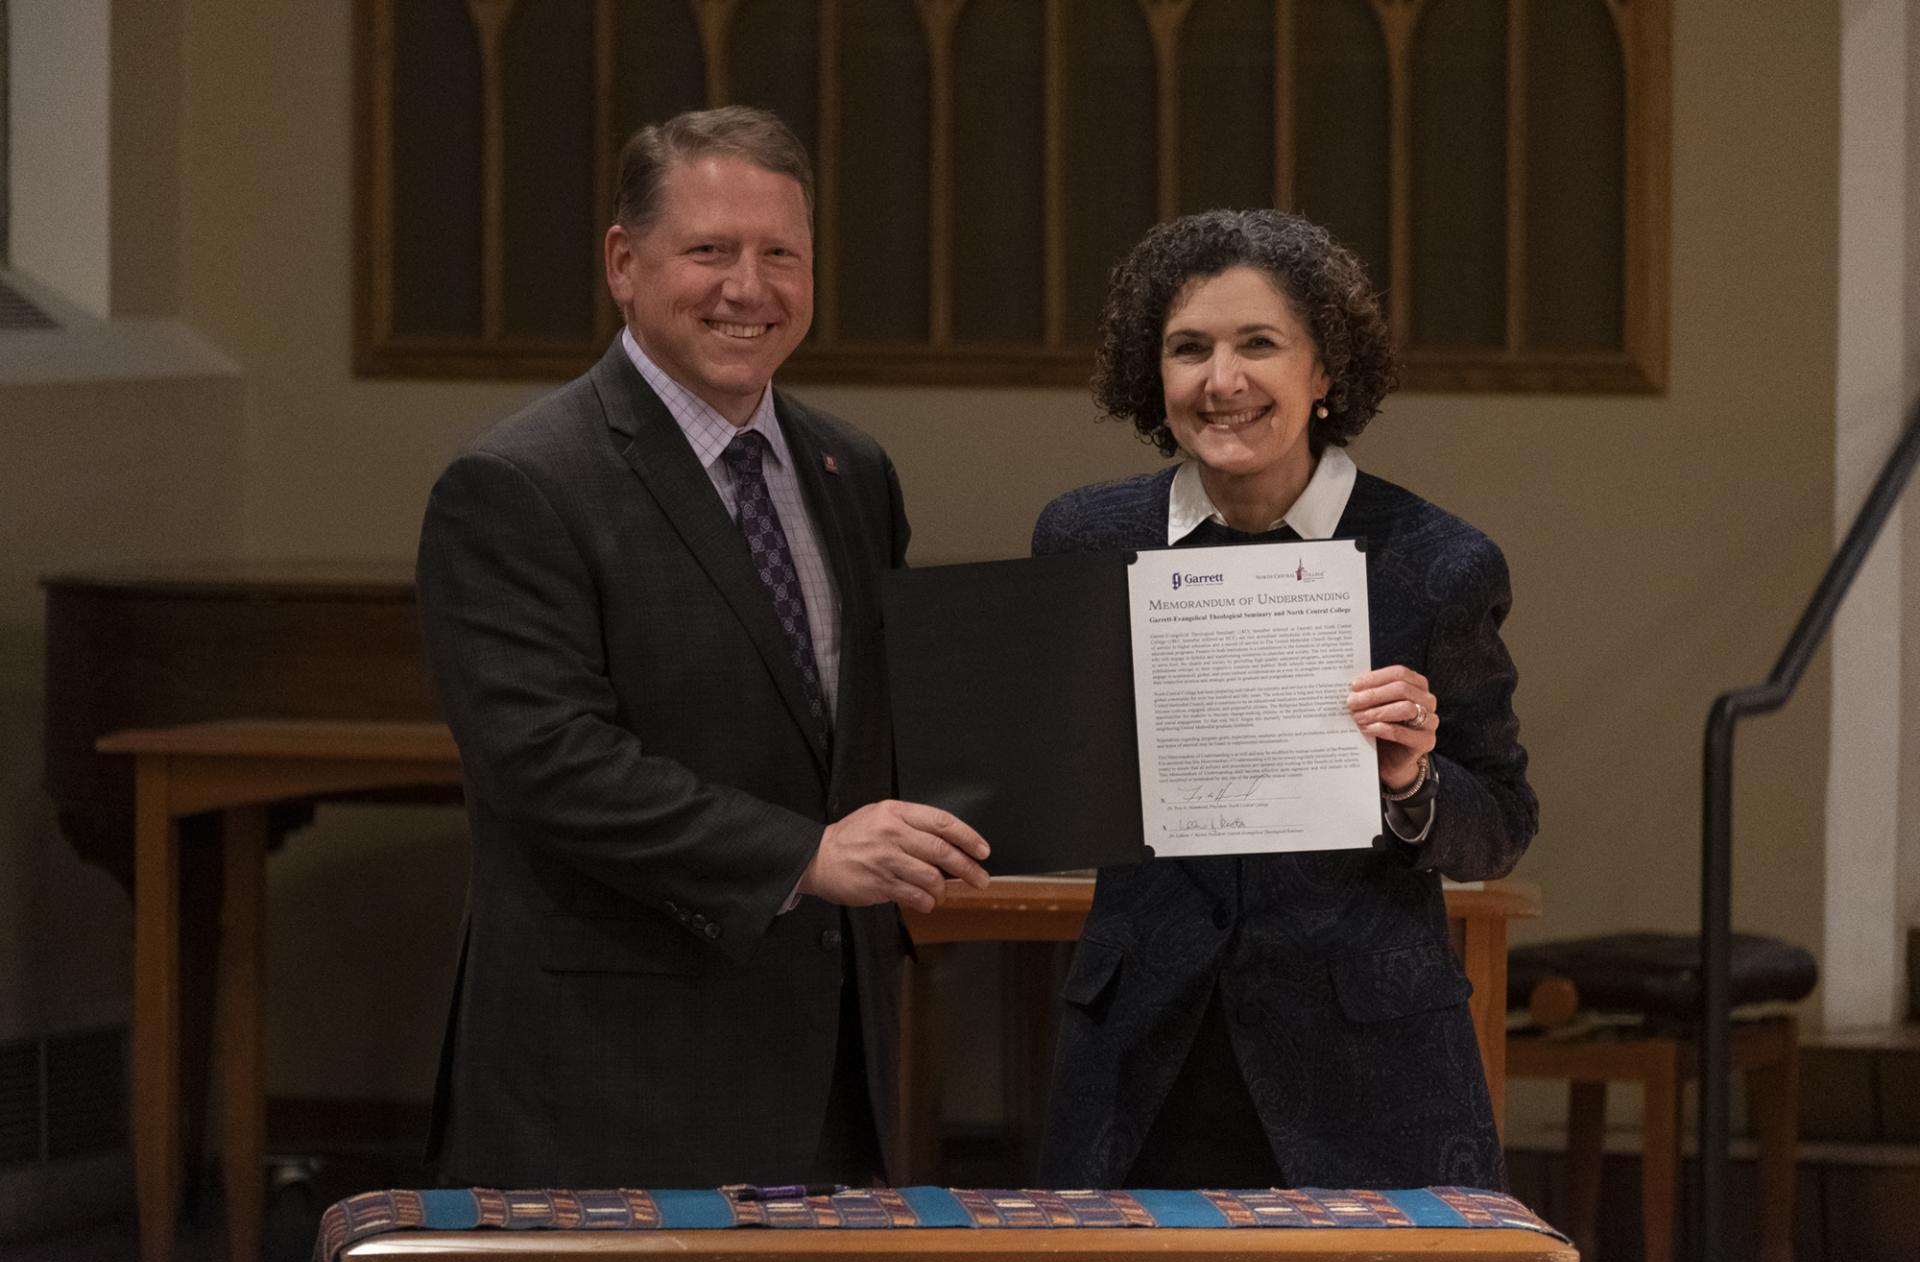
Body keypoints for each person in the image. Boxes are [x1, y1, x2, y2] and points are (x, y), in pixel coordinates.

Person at [415, 106, 989, 1191]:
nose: (749, 287)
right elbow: (547, 762)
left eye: (781, 254)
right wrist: (803, 856)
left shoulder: (850, 470)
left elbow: (888, 730)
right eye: (710, 250)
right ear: (624, 263)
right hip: (612, 1079)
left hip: (831, 1069)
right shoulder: (521, 484)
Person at [1035, 209, 1536, 1192]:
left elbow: (1503, 824)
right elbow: (1049, 767)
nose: (1222, 380)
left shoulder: (1436, 562)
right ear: (1155, 374)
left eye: (1258, 343)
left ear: (1326, 372)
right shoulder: (1084, 540)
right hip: (1142, 1056)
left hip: (1367, 1072)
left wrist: (1411, 776)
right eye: (1189, 349)